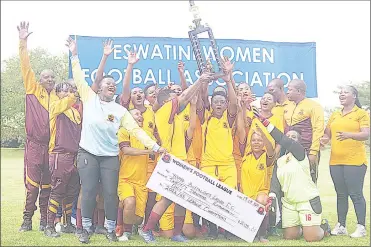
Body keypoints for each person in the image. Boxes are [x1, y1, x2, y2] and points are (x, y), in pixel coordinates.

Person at [66, 37, 165, 244]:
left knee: (111, 194)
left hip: (110, 156)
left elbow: (137, 131)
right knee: (90, 190)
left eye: (113, 84)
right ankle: (84, 228)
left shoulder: (120, 111)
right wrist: (74, 55)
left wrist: (155, 147)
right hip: (88, 153)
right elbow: (78, 76)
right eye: (107, 84)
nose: (111, 85)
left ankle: (111, 229)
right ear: (99, 88)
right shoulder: (89, 98)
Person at [140, 72, 212, 243]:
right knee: (167, 198)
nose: (179, 100)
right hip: (169, 161)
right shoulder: (164, 111)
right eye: (175, 97)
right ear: (167, 101)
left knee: (182, 199)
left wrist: (195, 100)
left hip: (180, 160)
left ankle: (176, 234)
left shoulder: (176, 117)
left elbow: (190, 123)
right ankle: (146, 229)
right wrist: (200, 81)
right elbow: (185, 96)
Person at [253, 109, 331, 242]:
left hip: (306, 201)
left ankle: (324, 228)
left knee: (311, 238)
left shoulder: (301, 154)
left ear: (298, 142)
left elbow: (283, 140)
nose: (289, 139)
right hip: (289, 203)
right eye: (288, 136)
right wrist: (272, 196)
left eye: (293, 137)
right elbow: (275, 182)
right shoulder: (281, 160)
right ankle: (305, 225)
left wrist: (265, 122)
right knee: (290, 236)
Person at [17, 22, 58, 232]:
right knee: (32, 186)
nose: (49, 80)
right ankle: (27, 220)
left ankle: (44, 221)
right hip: (34, 146)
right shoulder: (33, 89)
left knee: (48, 187)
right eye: (46, 77)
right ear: (39, 80)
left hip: (51, 149)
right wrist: (23, 41)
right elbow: (26, 66)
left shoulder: (58, 97)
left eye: (52, 77)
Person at [321, 85, 369, 238]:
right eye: (340, 93)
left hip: (355, 162)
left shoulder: (360, 114)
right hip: (335, 161)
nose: (341, 95)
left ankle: (361, 226)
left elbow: (365, 134)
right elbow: (327, 134)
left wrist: (349, 134)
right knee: (341, 194)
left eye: (345, 93)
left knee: (355, 194)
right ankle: (341, 225)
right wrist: (323, 140)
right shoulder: (335, 114)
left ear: (354, 96)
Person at [198, 58, 238, 240]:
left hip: (228, 165)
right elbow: (202, 96)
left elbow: (234, 103)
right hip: (208, 164)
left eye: (223, 101)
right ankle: (212, 229)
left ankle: (229, 229)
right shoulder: (206, 117)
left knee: (229, 198)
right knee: (209, 198)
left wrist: (228, 78)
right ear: (211, 103)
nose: (220, 104)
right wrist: (205, 77)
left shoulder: (228, 119)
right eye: (216, 101)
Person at [44, 81, 81, 237]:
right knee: (57, 191)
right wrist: (74, 93)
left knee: (71, 192)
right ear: (57, 93)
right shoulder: (55, 106)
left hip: (74, 156)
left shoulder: (75, 112)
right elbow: (68, 101)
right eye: (65, 91)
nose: (68, 93)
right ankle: (49, 226)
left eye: (70, 90)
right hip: (59, 155)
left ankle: (66, 224)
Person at [236, 98, 275, 242]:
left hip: (260, 193)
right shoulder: (246, 156)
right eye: (254, 140)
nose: (256, 143)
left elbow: (271, 149)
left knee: (260, 200)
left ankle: (262, 235)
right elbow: (241, 130)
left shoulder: (266, 157)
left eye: (259, 141)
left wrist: (262, 133)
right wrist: (241, 109)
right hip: (245, 194)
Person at [116, 109, 158, 241]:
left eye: (141, 114)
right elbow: (126, 150)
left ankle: (128, 225)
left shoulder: (149, 137)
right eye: (136, 114)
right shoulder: (124, 131)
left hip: (142, 182)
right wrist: (148, 151)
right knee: (129, 201)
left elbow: (155, 155)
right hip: (126, 178)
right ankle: (125, 232)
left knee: (138, 219)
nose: (140, 116)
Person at [285, 79, 324, 183]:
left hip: (307, 150)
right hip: (289, 151)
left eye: (290, 89)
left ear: (299, 91)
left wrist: (313, 152)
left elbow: (318, 129)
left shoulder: (314, 106)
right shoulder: (288, 106)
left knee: (308, 182)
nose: (287, 92)